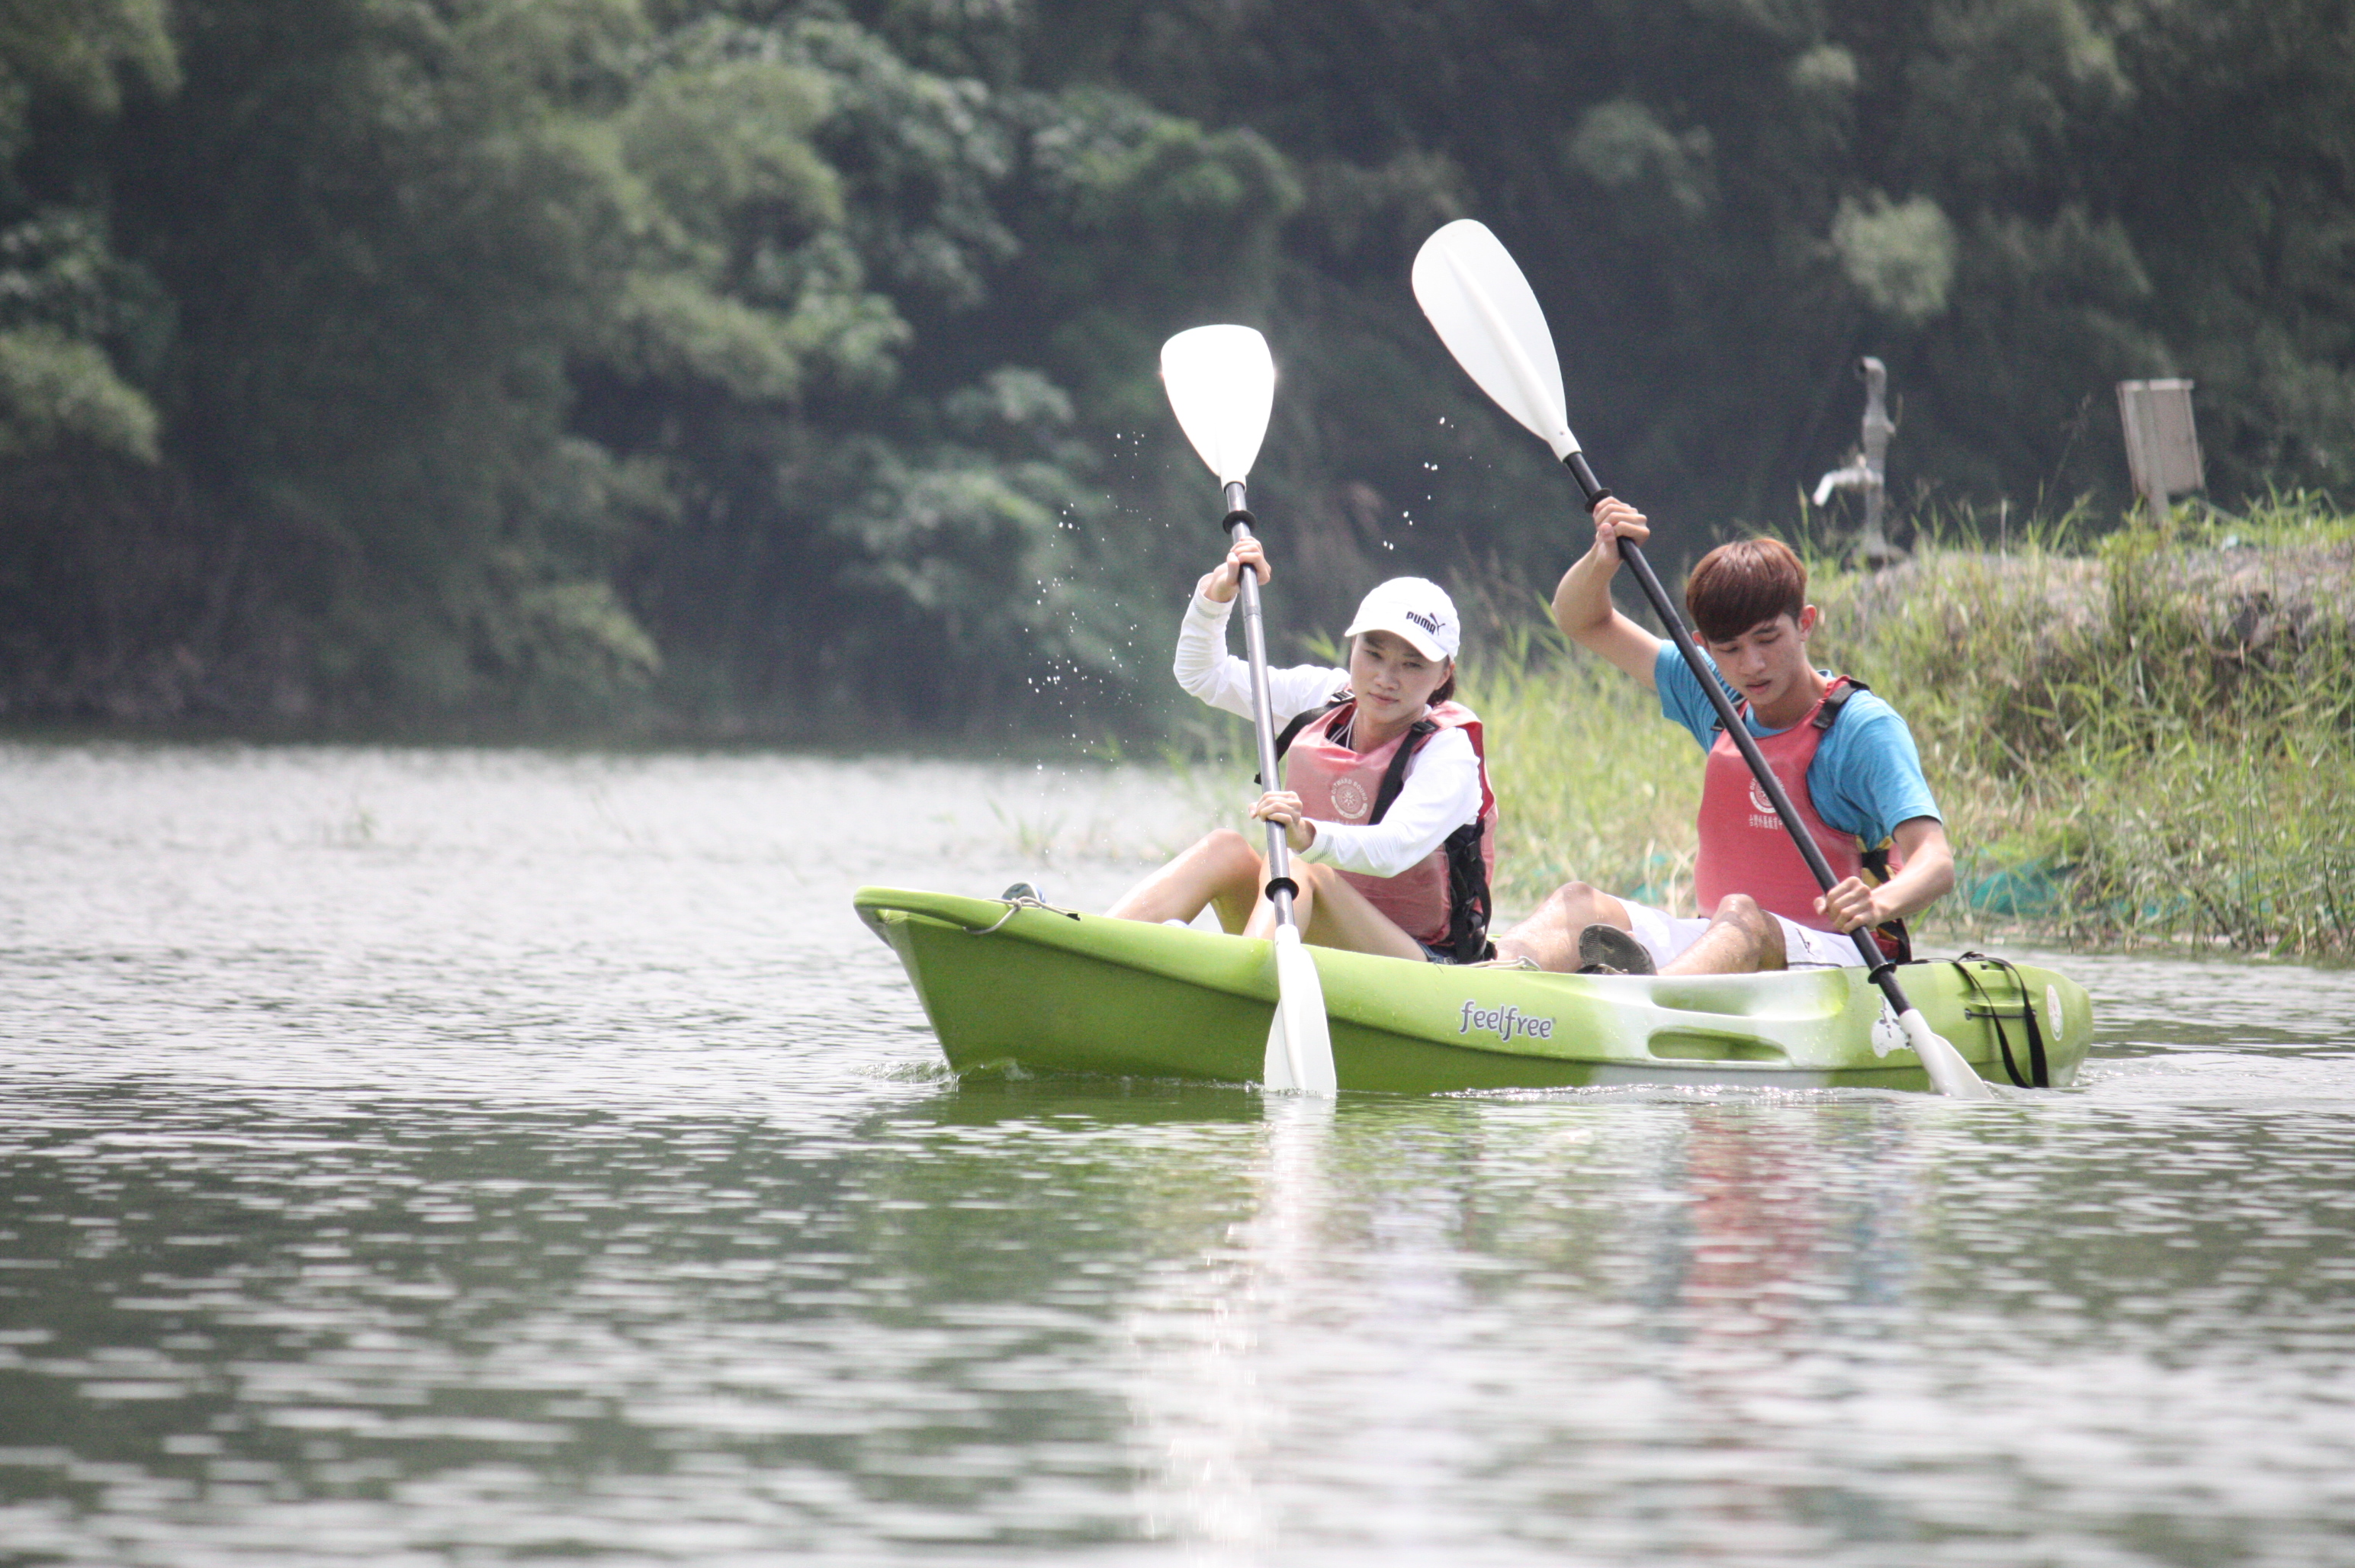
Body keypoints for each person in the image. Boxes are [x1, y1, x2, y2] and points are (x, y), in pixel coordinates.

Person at [1497, 497, 1953, 976]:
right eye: (1730, 649)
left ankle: (1639, 1003)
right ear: (1703, 647)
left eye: (1768, 639)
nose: (1751, 665)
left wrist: (1879, 903)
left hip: (1837, 953)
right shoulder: (1713, 693)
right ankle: (1486, 987)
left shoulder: (1862, 728)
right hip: (1724, 941)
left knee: (1742, 916)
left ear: (1805, 623)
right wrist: (1603, 556)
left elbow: (1935, 860)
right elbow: (1581, 620)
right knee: (1578, 903)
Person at [1107, 535, 1503, 964]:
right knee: (1223, 849)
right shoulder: (1321, 698)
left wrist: (1307, 836)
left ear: (1445, 674)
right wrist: (1219, 593)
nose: (1386, 678)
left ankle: (1236, 980)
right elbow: (1203, 674)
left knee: (1302, 865)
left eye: (1412, 664)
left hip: (1421, 963)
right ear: (1353, 647)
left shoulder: (1448, 753)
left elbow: (1394, 848)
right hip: (1310, 935)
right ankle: (1096, 946)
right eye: (1373, 654)